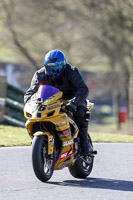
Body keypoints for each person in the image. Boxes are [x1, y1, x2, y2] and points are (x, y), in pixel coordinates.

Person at [24, 49, 92, 156]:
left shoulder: (72, 71)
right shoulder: (40, 74)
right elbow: (30, 92)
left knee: (81, 111)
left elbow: (83, 89)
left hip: (72, 100)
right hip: (51, 101)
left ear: (63, 64)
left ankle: (84, 144)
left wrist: (74, 102)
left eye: (56, 68)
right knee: (37, 117)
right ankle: (39, 143)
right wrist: (29, 103)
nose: (53, 72)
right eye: (50, 68)